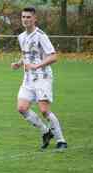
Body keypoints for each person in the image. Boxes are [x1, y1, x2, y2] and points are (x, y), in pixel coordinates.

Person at [11, 7, 67, 150]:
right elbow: (26, 55)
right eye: (23, 17)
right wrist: (19, 63)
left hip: (43, 77)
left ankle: (61, 140)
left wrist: (37, 66)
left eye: (29, 17)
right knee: (22, 108)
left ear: (35, 19)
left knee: (44, 110)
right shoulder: (21, 37)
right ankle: (46, 131)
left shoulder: (41, 35)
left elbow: (53, 56)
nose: (25, 19)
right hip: (28, 78)